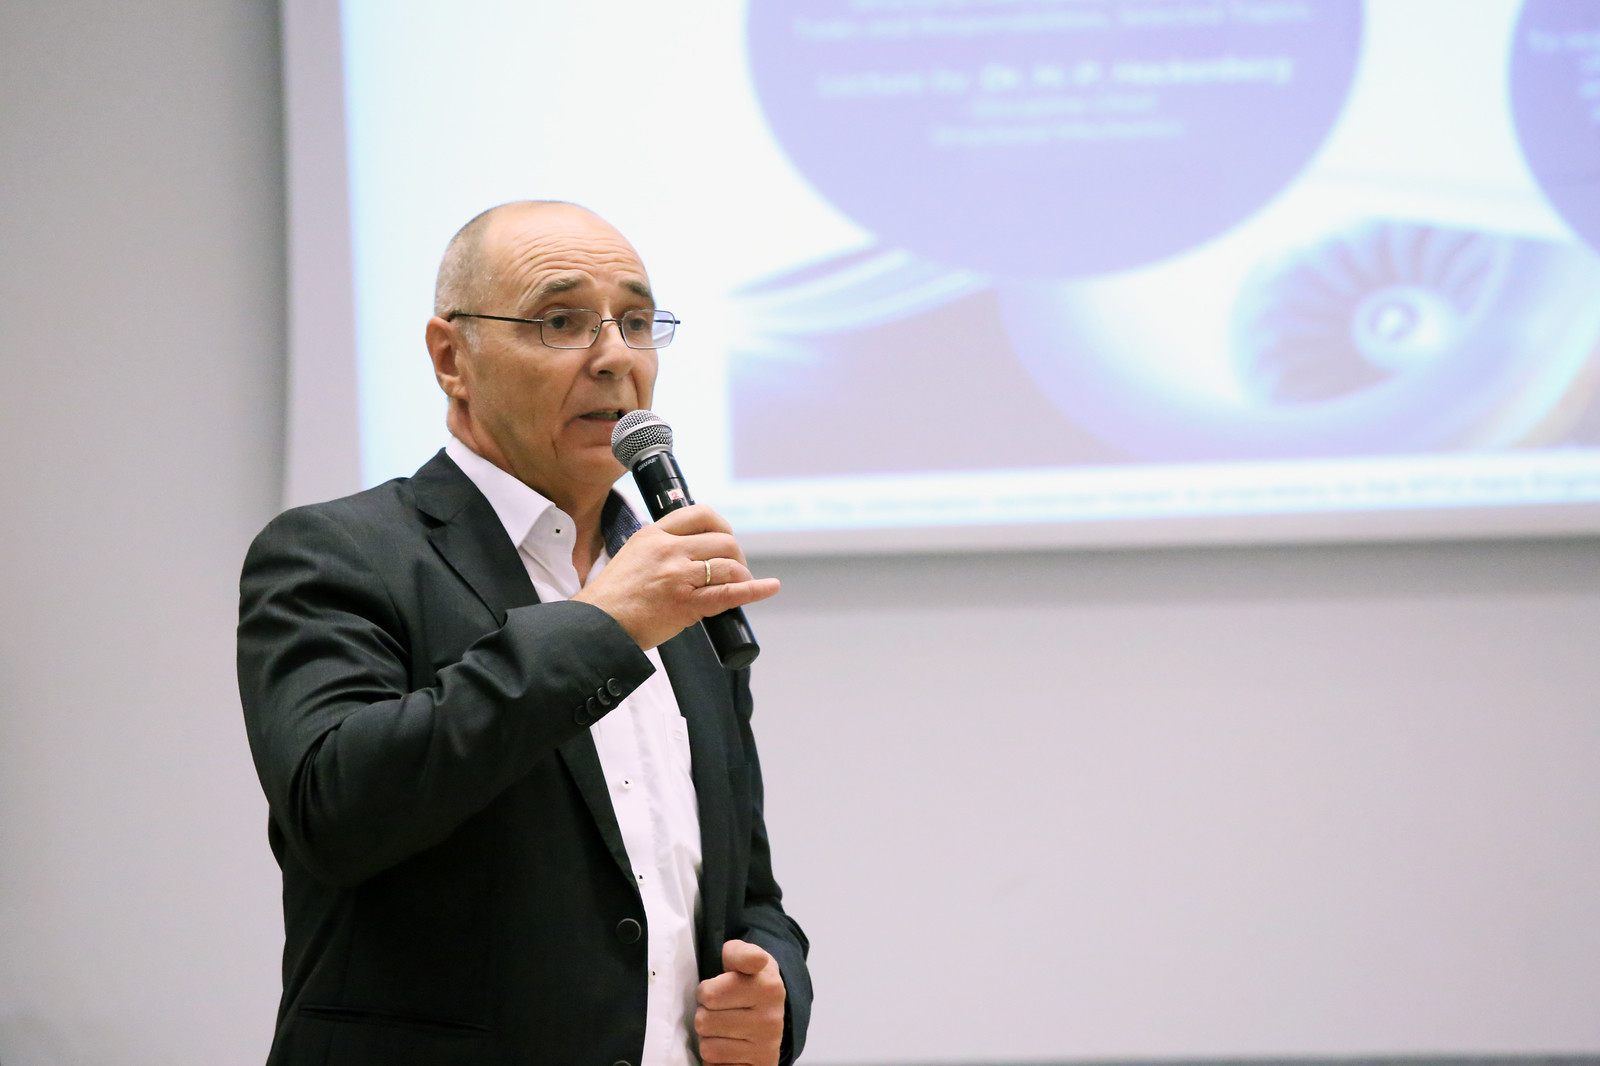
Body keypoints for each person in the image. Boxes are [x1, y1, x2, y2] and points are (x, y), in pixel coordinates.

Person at [237, 201, 811, 1065]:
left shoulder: (672, 584)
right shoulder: (336, 553)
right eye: (561, 322)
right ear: (451, 358)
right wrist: (599, 625)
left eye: (636, 323)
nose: (615, 357)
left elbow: (743, 885)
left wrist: (775, 992)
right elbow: (336, 810)